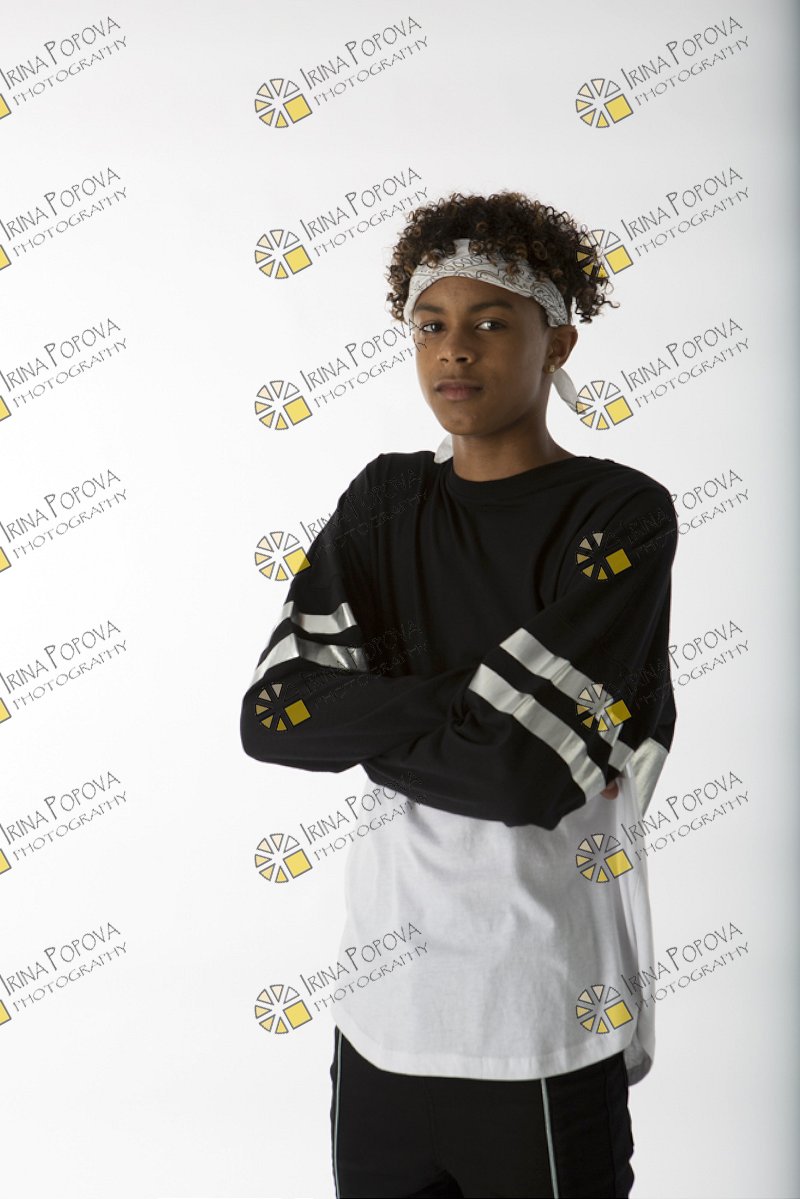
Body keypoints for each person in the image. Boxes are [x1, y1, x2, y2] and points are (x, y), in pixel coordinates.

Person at [240, 190, 679, 1198]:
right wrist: (475, 697)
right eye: (430, 325)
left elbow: (522, 775)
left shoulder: (617, 513)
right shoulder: (385, 499)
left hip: (538, 1021)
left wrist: (370, 715)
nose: (454, 350)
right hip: (379, 1025)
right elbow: (273, 717)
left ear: (557, 342)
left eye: (490, 323)